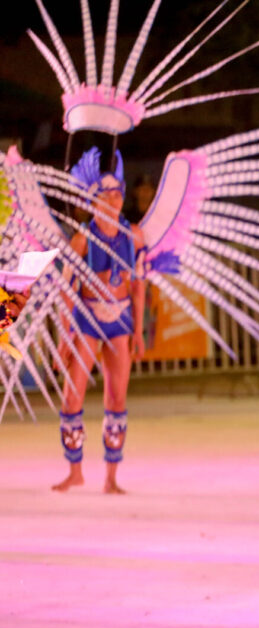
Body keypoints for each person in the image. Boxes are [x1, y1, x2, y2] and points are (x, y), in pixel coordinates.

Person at [53, 148, 148, 495]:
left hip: (120, 321)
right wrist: (65, 335)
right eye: (107, 196)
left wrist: (138, 329)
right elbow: (66, 291)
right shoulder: (82, 239)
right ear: (93, 201)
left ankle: (111, 477)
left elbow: (138, 287)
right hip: (87, 319)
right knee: (72, 398)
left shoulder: (134, 235)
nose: (114, 201)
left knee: (117, 399)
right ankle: (75, 472)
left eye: (118, 194)